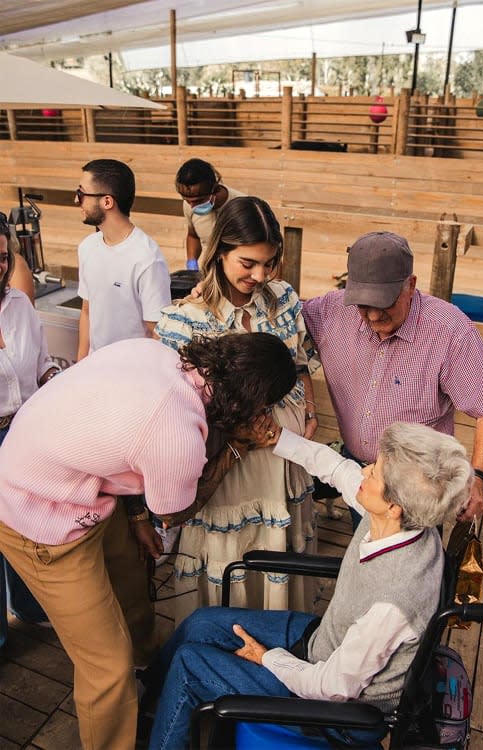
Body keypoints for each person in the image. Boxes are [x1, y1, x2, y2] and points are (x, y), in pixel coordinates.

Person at [0, 331, 296, 750]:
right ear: (251, 402)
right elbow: (174, 510)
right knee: (107, 667)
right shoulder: (176, 430)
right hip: (40, 519)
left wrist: (135, 513)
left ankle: (153, 680)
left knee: (135, 598)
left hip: (83, 491)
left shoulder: (154, 351)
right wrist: (237, 447)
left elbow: (120, 439)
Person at [141, 420, 472, 750]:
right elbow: (337, 468)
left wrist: (268, 658)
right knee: (201, 623)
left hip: (331, 713)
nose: (366, 470)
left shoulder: (395, 602)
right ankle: (147, 696)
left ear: (394, 505)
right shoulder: (405, 520)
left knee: (189, 665)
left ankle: (161, 729)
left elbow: (334, 687)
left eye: (375, 472)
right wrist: (277, 436)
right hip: (321, 644)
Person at [156, 195, 318, 619]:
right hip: (233, 469)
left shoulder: (282, 298)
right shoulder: (186, 320)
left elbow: (300, 362)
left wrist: (310, 410)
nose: (260, 275)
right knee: (234, 555)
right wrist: (237, 441)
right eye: (248, 263)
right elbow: (177, 410)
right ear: (219, 251)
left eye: (269, 263)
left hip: (287, 457)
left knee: (279, 546)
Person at [302, 231, 483, 527]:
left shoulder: (450, 331)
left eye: (383, 304)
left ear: (410, 285)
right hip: (358, 471)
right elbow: (280, 318)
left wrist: (479, 477)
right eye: (362, 305)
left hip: (420, 485)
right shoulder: (329, 312)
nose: (372, 316)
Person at [0, 215, 60, 648]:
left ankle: (29, 605)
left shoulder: (19, 306)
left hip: (23, 434)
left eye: (2, 258)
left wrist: (57, 377)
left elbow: (39, 367)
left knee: (28, 529)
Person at [75, 158, 171, 361]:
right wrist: (80, 365)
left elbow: (158, 333)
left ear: (107, 202)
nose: (76, 200)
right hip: (95, 368)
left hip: (132, 374)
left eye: (81, 194)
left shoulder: (147, 258)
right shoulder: (87, 247)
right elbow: (87, 311)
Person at [175, 158, 244, 271]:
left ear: (214, 189)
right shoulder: (188, 206)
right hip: (210, 274)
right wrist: (192, 262)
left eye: (198, 200)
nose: (192, 206)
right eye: (187, 200)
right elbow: (193, 235)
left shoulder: (242, 206)